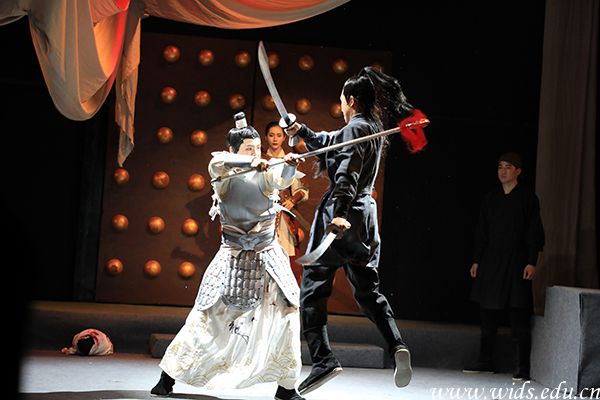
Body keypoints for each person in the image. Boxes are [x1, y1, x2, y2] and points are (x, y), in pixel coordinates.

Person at [284, 66, 421, 394]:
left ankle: (323, 360)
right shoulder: (368, 128)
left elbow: (347, 174)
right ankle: (396, 344)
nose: (341, 105)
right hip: (365, 221)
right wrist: (301, 130)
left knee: (313, 290)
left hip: (342, 219)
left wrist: (339, 214)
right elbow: (328, 142)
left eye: (342, 100)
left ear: (351, 100)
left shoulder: (356, 129)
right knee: (368, 291)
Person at [151, 114, 306, 400]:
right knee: (208, 318)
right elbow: (217, 162)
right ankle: (168, 375)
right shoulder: (222, 175)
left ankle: (286, 387)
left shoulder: (266, 172)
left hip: (268, 255)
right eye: (248, 148)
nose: (255, 153)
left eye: (257, 148)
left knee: (286, 315)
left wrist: (289, 165)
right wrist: (251, 162)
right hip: (233, 257)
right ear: (234, 150)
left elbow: (281, 179)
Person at [463, 152, 545, 381]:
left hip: (517, 261)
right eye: (500, 167)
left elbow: (534, 231)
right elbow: (482, 231)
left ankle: (522, 367)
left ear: (518, 171)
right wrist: (477, 260)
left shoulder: (527, 198)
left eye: (508, 167)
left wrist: (531, 261)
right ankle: (485, 362)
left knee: (518, 316)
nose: (503, 171)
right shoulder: (491, 198)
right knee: (487, 316)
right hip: (491, 262)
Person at [263, 121, 309, 283]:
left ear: (284, 138)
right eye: (271, 135)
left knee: (287, 258)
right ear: (266, 137)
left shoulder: (291, 159)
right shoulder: (260, 160)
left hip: (284, 216)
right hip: (263, 214)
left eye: (279, 135)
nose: (275, 139)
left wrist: (292, 200)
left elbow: (302, 189)